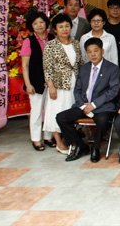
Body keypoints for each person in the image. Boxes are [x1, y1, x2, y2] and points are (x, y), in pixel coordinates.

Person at [56, 37, 120, 162]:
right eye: (89, 52)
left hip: (103, 106)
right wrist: (82, 105)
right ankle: (80, 145)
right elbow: (77, 90)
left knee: (102, 120)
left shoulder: (112, 68)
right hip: (84, 105)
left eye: (96, 51)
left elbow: (113, 91)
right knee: (61, 117)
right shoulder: (84, 68)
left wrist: (94, 105)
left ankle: (96, 147)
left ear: (102, 51)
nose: (93, 54)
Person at [42, 14, 83, 154]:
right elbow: (47, 68)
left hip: (74, 83)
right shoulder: (50, 45)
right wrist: (51, 86)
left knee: (69, 111)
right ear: (55, 29)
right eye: (61, 27)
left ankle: (68, 139)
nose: (64, 29)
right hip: (58, 86)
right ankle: (59, 143)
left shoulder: (75, 43)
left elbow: (80, 63)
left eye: (67, 26)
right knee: (56, 111)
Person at [21, 12, 55, 151]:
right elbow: (25, 65)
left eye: (41, 22)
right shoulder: (28, 41)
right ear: (31, 26)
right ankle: (36, 139)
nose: (39, 25)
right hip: (35, 81)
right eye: (35, 23)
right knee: (36, 111)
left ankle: (48, 137)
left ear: (46, 23)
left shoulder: (53, 38)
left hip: (52, 81)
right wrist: (28, 84)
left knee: (50, 110)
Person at [104, 0, 120, 68]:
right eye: (112, 8)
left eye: (118, 8)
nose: (115, 10)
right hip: (106, 62)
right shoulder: (102, 26)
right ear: (108, 9)